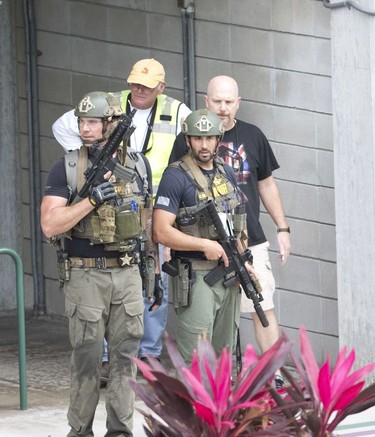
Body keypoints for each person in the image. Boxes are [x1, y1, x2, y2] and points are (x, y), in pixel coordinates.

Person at [52, 58, 191, 377]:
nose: (138, 89)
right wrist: (84, 157)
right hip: (106, 197)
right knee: (106, 275)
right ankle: (104, 355)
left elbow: (192, 147)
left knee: (151, 276)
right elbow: (62, 125)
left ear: (161, 86)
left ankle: (149, 353)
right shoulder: (109, 103)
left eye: (146, 84)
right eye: (134, 82)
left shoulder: (176, 110)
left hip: (152, 203)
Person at [41, 91, 154, 436]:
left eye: (93, 122)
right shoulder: (69, 166)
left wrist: (153, 269)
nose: (85, 128)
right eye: (82, 121)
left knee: (126, 359)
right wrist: (89, 200)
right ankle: (80, 430)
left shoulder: (139, 164)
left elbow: (146, 219)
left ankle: (121, 431)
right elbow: (49, 225)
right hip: (85, 272)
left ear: (113, 124)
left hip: (128, 270)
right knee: (88, 359)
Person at [169, 76, 291, 386]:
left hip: (247, 240)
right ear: (206, 101)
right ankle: (210, 386)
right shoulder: (189, 138)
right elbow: (171, 189)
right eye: (217, 101)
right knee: (208, 317)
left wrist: (283, 227)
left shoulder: (253, 135)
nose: (223, 107)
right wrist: (171, 240)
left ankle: (273, 374)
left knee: (260, 301)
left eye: (228, 101)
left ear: (238, 102)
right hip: (202, 247)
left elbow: (266, 183)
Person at [153, 109, 253, 364]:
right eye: (198, 138)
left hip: (229, 274)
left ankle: (221, 404)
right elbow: (161, 230)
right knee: (195, 358)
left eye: (209, 138)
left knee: (224, 355)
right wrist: (204, 244)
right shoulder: (175, 176)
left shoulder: (226, 173)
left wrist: (245, 261)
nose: (204, 144)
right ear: (187, 140)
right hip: (196, 275)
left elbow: (237, 225)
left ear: (219, 139)